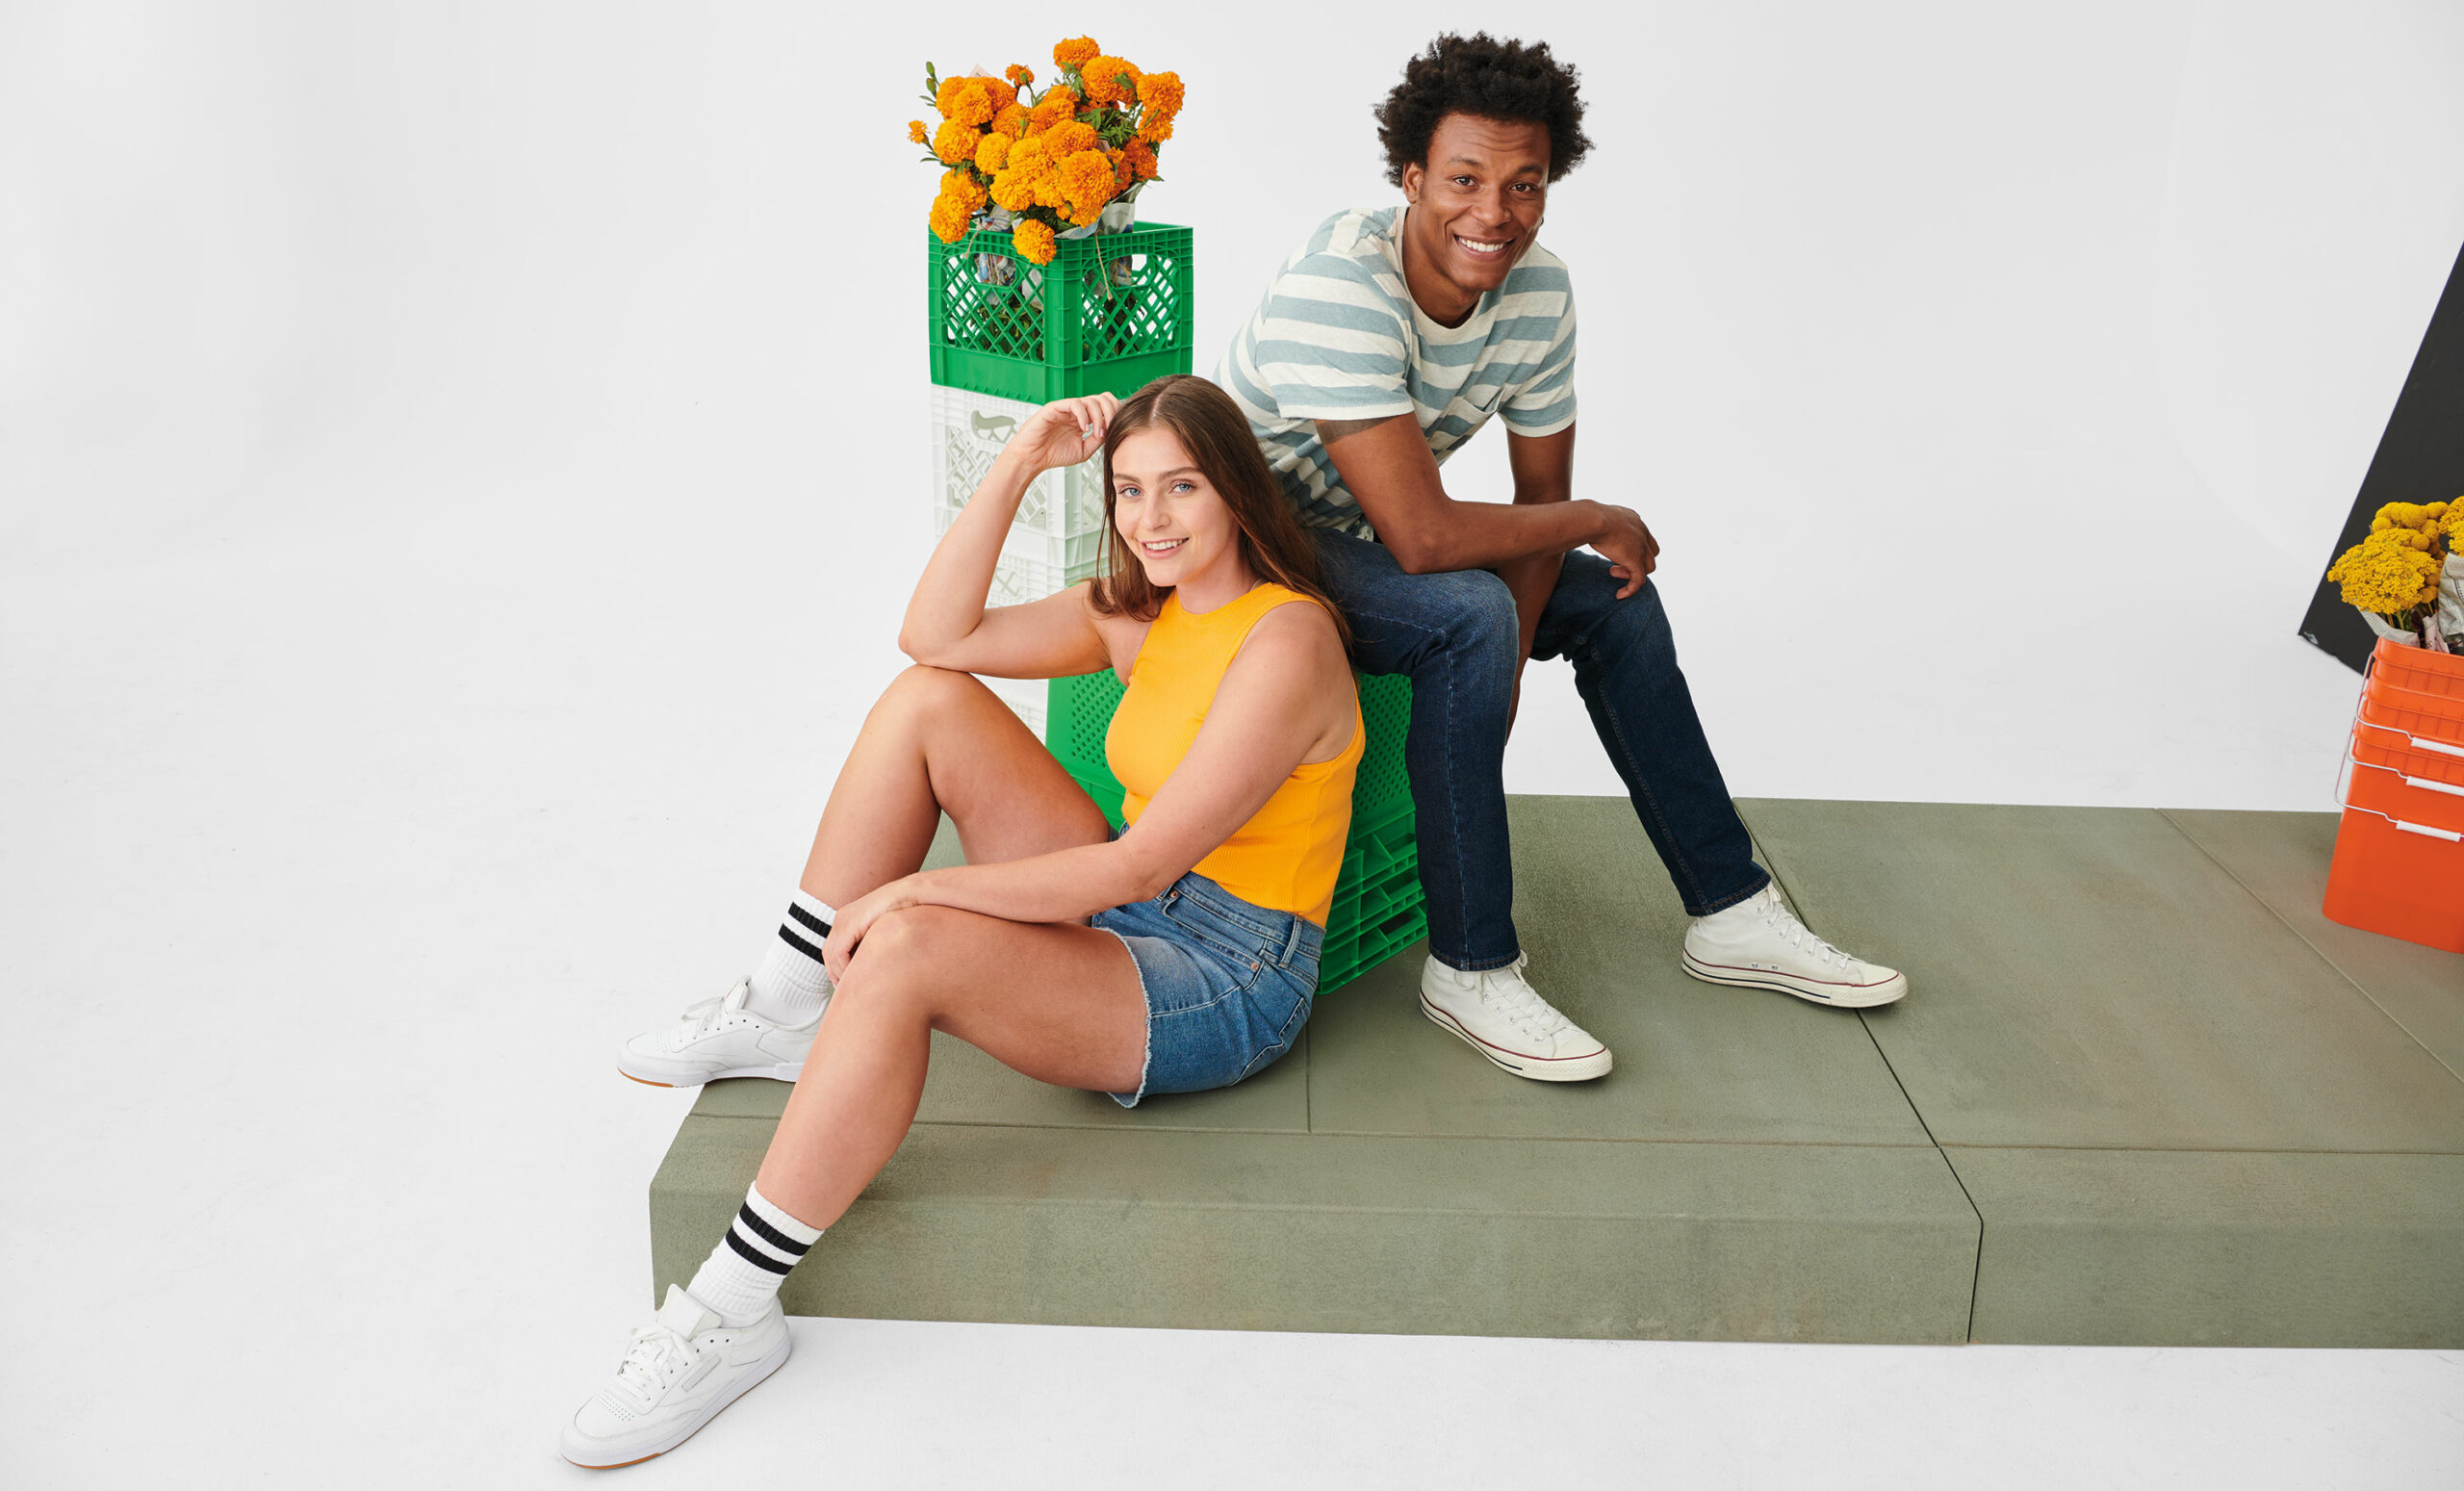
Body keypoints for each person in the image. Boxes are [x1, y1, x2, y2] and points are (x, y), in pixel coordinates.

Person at [561, 374, 1363, 1468]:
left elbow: (1136, 858)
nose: (1153, 519)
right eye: (1129, 491)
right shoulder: (1143, 615)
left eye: (1182, 486)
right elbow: (930, 633)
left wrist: (915, 887)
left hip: (1225, 970)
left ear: (1234, 489)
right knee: (927, 699)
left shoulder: (1287, 643)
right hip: (1130, 908)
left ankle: (730, 1310)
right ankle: (788, 1005)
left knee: (908, 945)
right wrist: (1022, 462)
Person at [1219, 33, 1907, 1084]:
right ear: (1410, 178)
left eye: (1523, 183)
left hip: (1373, 542)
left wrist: (1517, 651)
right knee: (1466, 610)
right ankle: (1471, 965)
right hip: (1248, 544)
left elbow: (1534, 505)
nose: (1492, 212)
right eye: (1462, 179)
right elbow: (1430, 540)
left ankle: (1730, 908)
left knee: (1618, 603)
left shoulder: (1539, 292)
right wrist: (1587, 521)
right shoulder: (1338, 286)